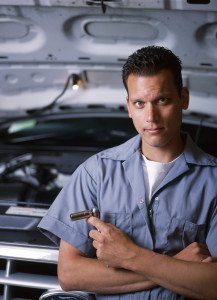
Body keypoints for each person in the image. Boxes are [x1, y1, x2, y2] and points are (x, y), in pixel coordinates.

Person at [38, 46, 217, 299]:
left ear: (183, 98)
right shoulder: (95, 172)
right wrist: (178, 266)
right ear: (129, 106)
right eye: (140, 103)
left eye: (162, 100)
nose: (151, 117)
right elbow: (70, 274)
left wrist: (130, 257)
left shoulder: (214, 181)